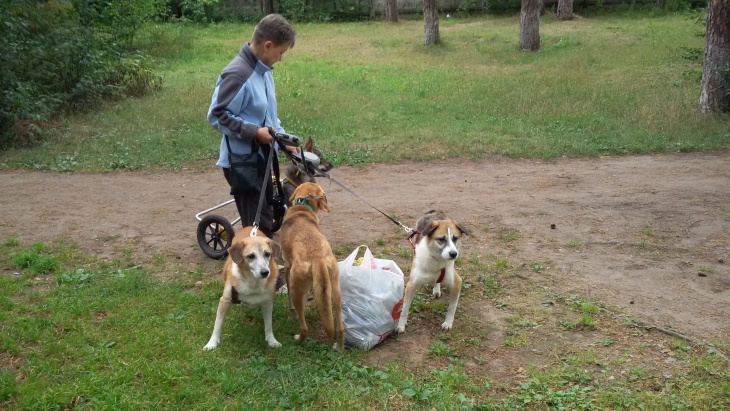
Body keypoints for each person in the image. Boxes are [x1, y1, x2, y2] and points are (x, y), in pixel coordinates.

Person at [207, 14, 296, 291]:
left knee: (269, 214)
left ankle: (267, 276)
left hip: (262, 159)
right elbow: (217, 115)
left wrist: (284, 141)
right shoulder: (238, 74)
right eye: (280, 52)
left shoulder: (264, 72)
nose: (281, 58)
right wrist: (252, 132)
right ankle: (265, 281)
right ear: (268, 45)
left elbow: (269, 118)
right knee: (256, 226)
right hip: (242, 163)